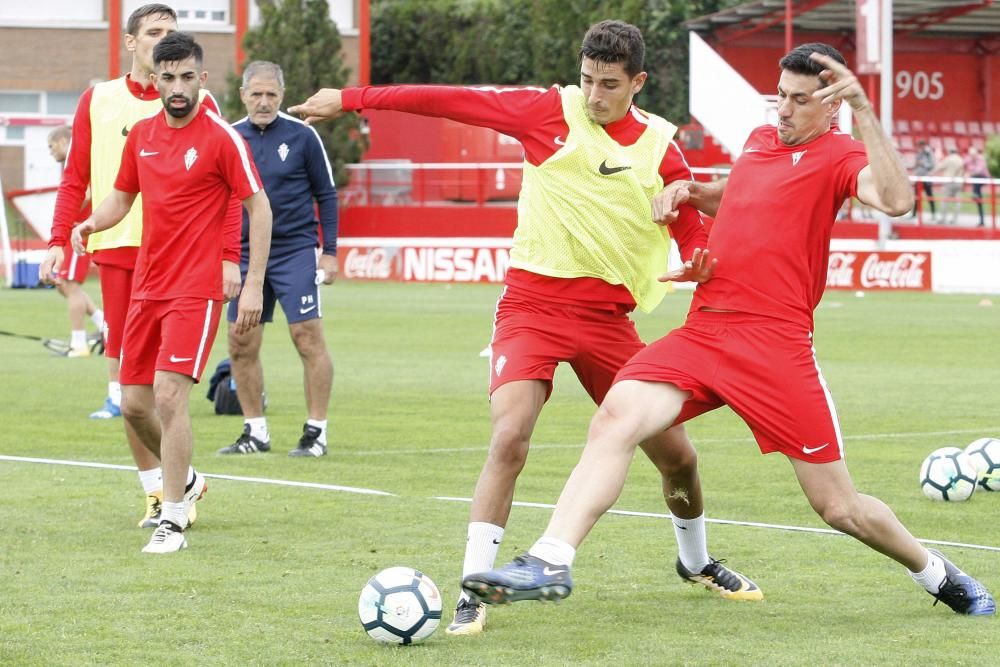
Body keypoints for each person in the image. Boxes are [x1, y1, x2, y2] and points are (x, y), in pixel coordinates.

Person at [463, 43, 996, 618]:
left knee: (839, 507)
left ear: (832, 107)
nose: (784, 112)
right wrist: (690, 191)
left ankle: (936, 574)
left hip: (775, 348)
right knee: (614, 418)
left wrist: (867, 113)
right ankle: (550, 557)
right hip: (704, 333)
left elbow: (897, 200)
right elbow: (738, 197)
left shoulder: (842, 156)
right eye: (780, 98)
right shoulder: (760, 142)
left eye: (799, 101)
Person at [291, 19, 761, 636]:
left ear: (638, 82)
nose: (594, 95)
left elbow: (687, 221)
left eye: (609, 85)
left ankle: (695, 561)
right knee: (509, 438)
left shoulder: (661, 147)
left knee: (677, 458)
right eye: (588, 79)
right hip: (531, 308)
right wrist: (349, 98)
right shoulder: (548, 112)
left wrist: (698, 255)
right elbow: (449, 100)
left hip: (607, 320)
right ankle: (473, 589)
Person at [40, 3, 240, 530]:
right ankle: (159, 489)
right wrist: (62, 237)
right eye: (153, 34)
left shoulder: (200, 101)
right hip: (116, 256)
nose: (162, 42)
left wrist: (227, 257)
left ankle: (170, 493)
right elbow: (75, 178)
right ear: (131, 43)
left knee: (165, 389)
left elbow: (232, 190)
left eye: (171, 34)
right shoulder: (99, 99)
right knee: (129, 393)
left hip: (181, 264)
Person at [71, 31, 272, 553]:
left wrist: (250, 284)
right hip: (147, 286)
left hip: (197, 289)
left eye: (187, 77)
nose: (178, 87)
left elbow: (258, 207)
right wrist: (89, 223)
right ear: (154, 80)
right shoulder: (140, 135)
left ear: (202, 80)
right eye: (169, 78)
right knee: (134, 405)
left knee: (168, 395)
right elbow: (120, 199)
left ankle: (174, 516)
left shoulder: (221, 136)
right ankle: (186, 479)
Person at [216, 61, 338, 458]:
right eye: (257, 94)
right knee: (240, 342)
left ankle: (316, 431)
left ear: (282, 96)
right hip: (247, 255)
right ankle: (255, 431)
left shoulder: (303, 136)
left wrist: (331, 252)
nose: (264, 102)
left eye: (271, 94)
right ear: (243, 95)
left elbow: (327, 195)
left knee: (307, 338)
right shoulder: (229, 137)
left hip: (294, 252)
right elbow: (217, 200)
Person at [46, 125, 105, 357]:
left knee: (69, 286)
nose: (50, 153)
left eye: (51, 147)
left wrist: (68, 216)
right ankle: (103, 325)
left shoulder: (83, 158)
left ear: (62, 141)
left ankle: (79, 344)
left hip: (78, 233)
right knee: (65, 286)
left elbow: (88, 193)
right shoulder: (74, 161)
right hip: (75, 231)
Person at [933, 147, 965, 225]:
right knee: (957, 202)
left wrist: (931, 172)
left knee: (945, 201)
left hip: (949, 182)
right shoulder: (961, 159)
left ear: (950, 152)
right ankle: (955, 219)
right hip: (958, 182)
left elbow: (940, 167)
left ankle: (943, 219)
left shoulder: (948, 159)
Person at [963, 146, 989, 227]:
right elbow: (963, 164)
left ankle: (975, 194)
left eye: (974, 154)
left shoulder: (981, 159)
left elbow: (979, 170)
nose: (972, 156)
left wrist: (969, 173)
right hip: (976, 183)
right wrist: (966, 173)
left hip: (983, 178)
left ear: (976, 154)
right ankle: (982, 221)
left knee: (976, 177)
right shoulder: (968, 159)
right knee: (979, 201)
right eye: (971, 155)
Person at [912, 140, 936, 220]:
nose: (920, 148)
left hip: (926, 178)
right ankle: (914, 214)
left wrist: (922, 163)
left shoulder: (929, 154)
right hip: (918, 178)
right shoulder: (919, 154)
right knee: (916, 197)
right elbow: (915, 165)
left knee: (930, 196)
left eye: (921, 146)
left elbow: (932, 165)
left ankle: (933, 214)